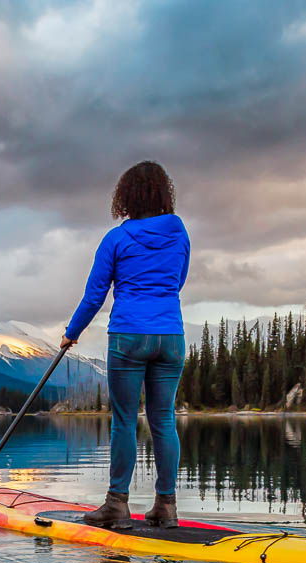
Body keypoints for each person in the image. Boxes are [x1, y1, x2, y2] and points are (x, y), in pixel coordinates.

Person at [60, 161, 190, 528]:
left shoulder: (116, 238)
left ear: (125, 197)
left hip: (129, 336)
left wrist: (72, 332)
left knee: (124, 421)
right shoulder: (180, 233)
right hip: (171, 337)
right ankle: (167, 507)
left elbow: (94, 296)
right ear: (164, 193)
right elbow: (177, 281)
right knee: (164, 419)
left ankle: (117, 504)